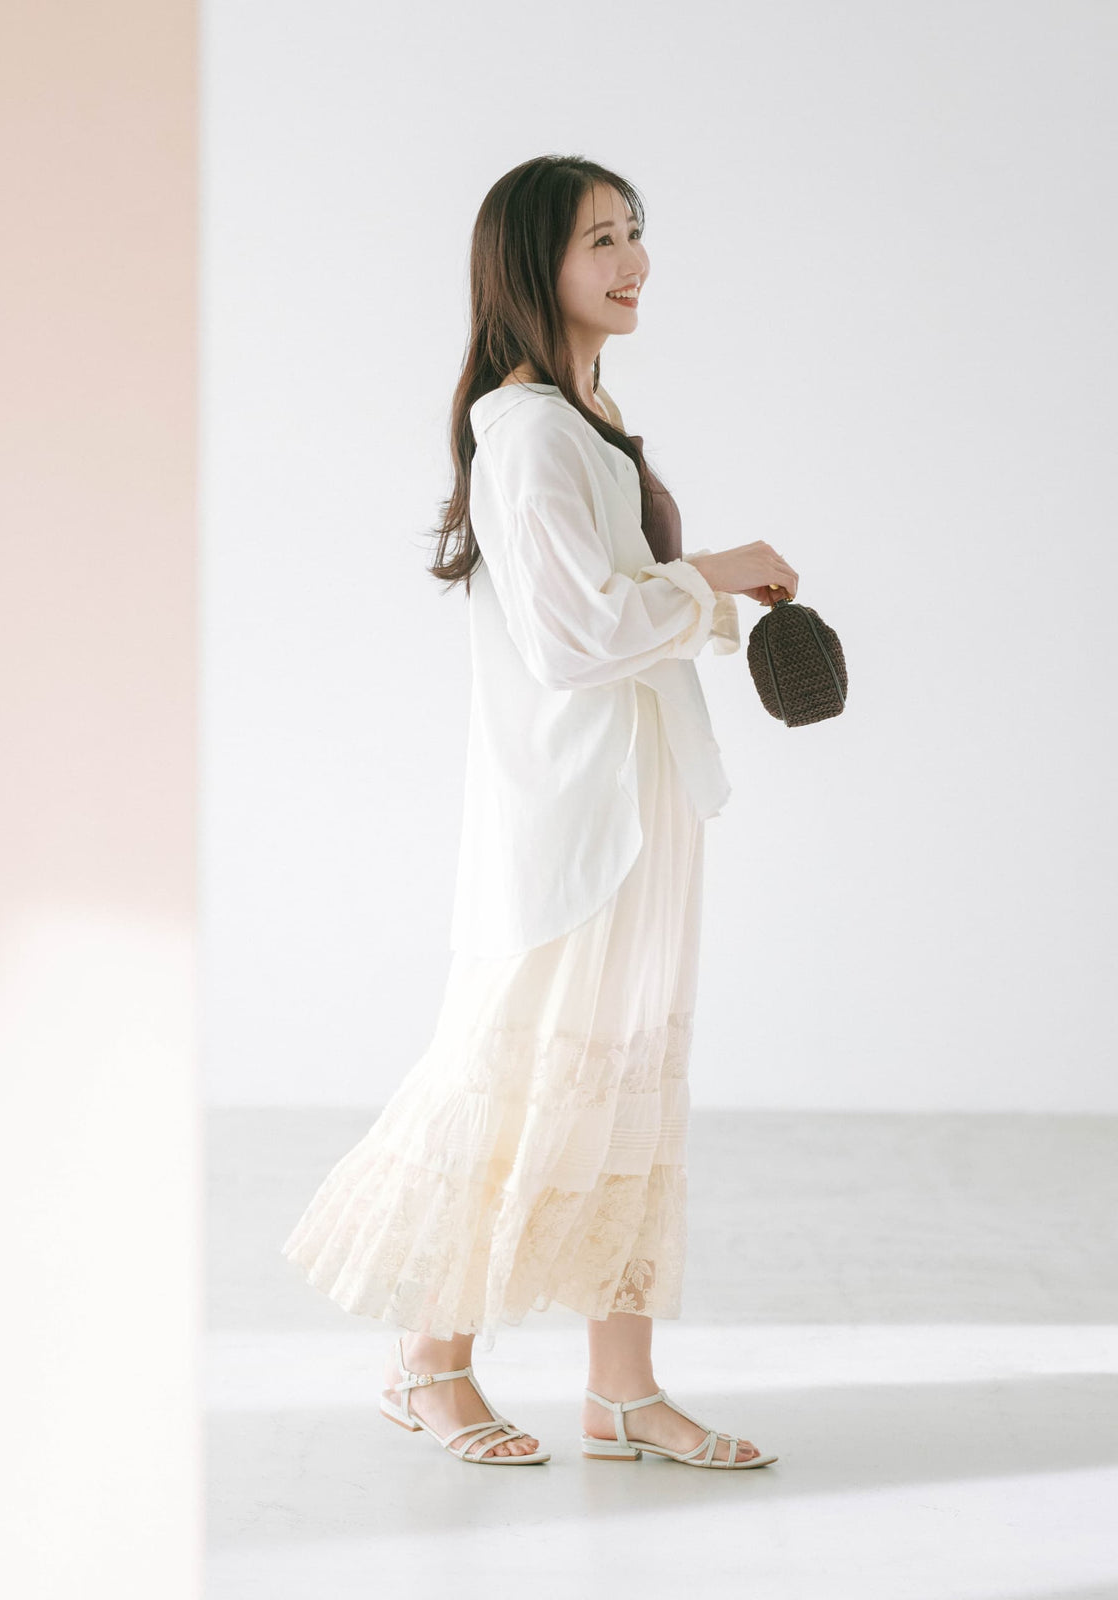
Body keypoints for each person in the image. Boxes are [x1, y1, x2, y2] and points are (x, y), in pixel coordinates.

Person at [280, 155, 798, 1468]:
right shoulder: (526, 429)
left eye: (634, 234)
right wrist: (715, 573)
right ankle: (428, 1362)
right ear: (534, 263)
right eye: (599, 241)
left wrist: (701, 591)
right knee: (514, 1078)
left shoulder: (588, 415)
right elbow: (576, 640)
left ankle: (621, 1391)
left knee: (629, 1081)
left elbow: (607, 615)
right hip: (574, 817)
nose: (631, 263)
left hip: (638, 802)